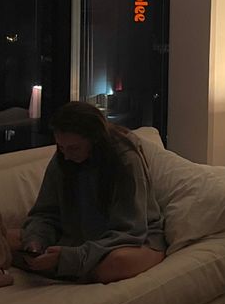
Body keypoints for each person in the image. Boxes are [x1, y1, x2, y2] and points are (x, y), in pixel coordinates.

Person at [8, 101, 166, 284]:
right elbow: (46, 213)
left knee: (117, 263)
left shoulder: (125, 161)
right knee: (3, 240)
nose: (66, 155)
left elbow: (130, 232)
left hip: (131, 241)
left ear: (95, 140)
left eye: (74, 148)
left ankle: (62, 268)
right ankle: (59, 266)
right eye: (61, 147)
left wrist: (71, 257)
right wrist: (36, 242)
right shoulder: (63, 157)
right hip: (77, 238)